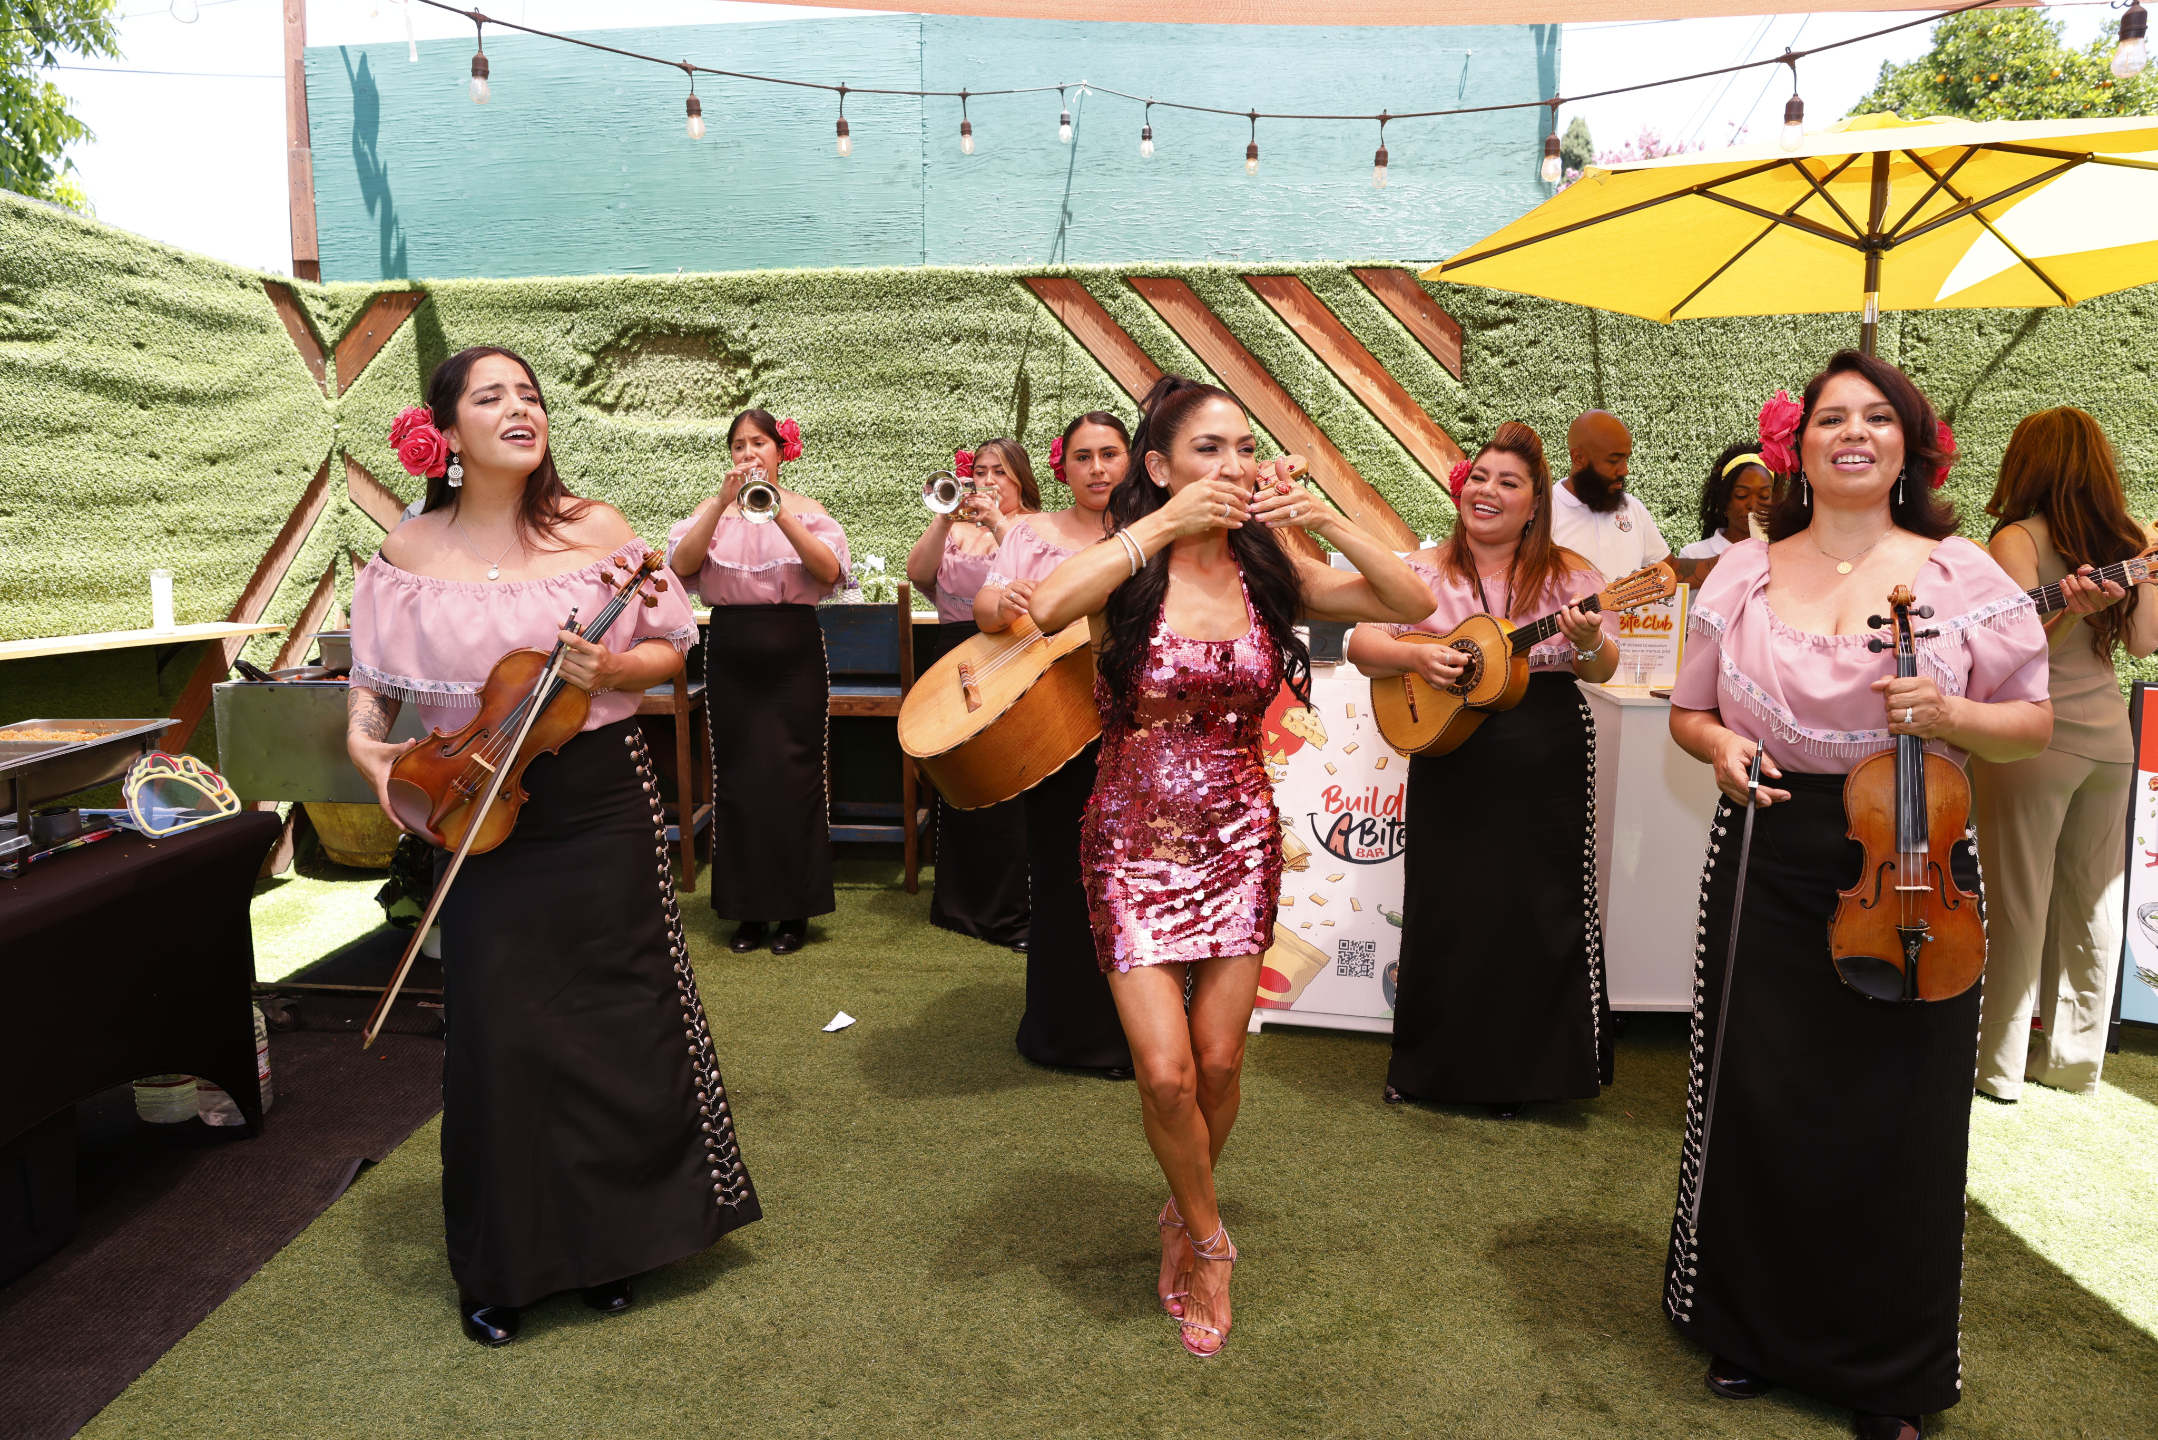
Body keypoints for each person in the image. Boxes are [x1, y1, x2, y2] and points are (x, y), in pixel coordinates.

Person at [1662, 350, 2050, 1440]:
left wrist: (1950, 715)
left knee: (1899, 1117)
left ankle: (1888, 1370)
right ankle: (1752, 1331)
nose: (1853, 434)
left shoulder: (1962, 574)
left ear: (1908, 446)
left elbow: (2031, 724)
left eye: (1877, 418)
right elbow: (1691, 711)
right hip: (1770, 850)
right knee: (1761, 1097)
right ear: (1798, 447)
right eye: (1832, 417)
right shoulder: (1742, 571)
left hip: (1917, 857)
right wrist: (1720, 748)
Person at [347, 347, 759, 1346]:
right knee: (502, 1031)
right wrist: (367, 752)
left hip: (598, 798)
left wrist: (609, 667)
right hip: (476, 808)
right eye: (490, 397)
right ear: (445, 434)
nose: (518, 408)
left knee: (616, 1017)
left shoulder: (597, 531)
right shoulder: (407, 550)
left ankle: (616, 1245)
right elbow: (372, 685)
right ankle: (507, 1263)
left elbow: (669, 651)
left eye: (528, 395)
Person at [1029, 375, 1434, 1359]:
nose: (1234, 465)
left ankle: (1181, 1211)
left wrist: (1322, 518)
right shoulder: (1129, 569)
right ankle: (1212, 1243)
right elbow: (1045, 607)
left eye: (1244, 447)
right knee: (1165, 1074)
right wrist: (1161, 526)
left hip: (1239, 840)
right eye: (1208, 449)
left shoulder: (1269, 573)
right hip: (1130, 841)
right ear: (1161, 467)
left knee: (1217, 1063)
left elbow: (1414, 600)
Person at [1348, 421, 1619, 1119]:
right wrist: (1415, 655)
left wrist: (1589, 641)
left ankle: (1527, 1075)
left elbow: (1601, 668)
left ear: (1535, 504)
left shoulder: (1571, 577)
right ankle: (1427, 1068)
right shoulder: (1422, 570)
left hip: (1546, 753)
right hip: (1449, 748)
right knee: (1445, 906)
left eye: (1509, 482)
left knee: (1537, 908)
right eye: (1480, 478)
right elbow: (1360, 643)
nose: (1488, 491)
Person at [1972, 407, 2158, 1101]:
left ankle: (1998, 1066)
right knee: (2092, 900)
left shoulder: (2016, 538)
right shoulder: (2132, 540)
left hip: (2033, 742)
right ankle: (2075, 1063)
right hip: (2110, 743)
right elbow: (2145, 644)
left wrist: (2069, 612)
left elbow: (2012, 653)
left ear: (2026, 463)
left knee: (2017, 901)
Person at [975, 412, 1135, 1076]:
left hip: (1137, 728)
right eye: (1083, 457)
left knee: (1131, 879)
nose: (1097, 468)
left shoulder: (1155, 531)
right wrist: (1003, 600)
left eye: (1110, 454)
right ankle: (1060, 1030)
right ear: (1061, 468)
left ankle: (1138, 1032)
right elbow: (985, 610)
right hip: (1052, 728)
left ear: (1133, 461)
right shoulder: (1028, 533)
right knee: (1062, 875)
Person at [668, 409, 849, 956]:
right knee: (738, 777)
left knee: (796, 776)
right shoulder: (712, 512)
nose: (749, 454)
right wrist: (721, 504)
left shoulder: (809, 511)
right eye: (739, 445)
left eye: (759, 444)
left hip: (795, 655)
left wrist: (779, 511)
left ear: (780, 452)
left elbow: (829, 573)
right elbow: (681, 567)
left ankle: (795, 911)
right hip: (731, 654)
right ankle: (745, 911)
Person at [905, 439, 1040, 951]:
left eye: (998, 472)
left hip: (1009, 653)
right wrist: (944, 518)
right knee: (958, 776)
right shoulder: (956, 529)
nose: (986, 481)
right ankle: (957, 906)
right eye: (979, 471)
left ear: (1020, 479)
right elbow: (918, 574)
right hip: (951, 653)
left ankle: (1011, 910)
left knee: (1007, 781)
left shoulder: (1033, 527)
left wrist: (999, 523)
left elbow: (1038, 579)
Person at [1553, 409, 1718, 588]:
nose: (1624, 470)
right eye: (1613, 461)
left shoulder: (1633, 508)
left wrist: (1733, 560)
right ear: (1579, 458)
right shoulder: (1543, 512)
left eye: (1626, 458)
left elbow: (1669, 571)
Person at [1680, 445, 1778, 561]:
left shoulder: (1783, 552)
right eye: (1741, 495)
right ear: (1724, 499)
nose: (1753, 505)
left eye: (1764, 496)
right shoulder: (1693, 555)